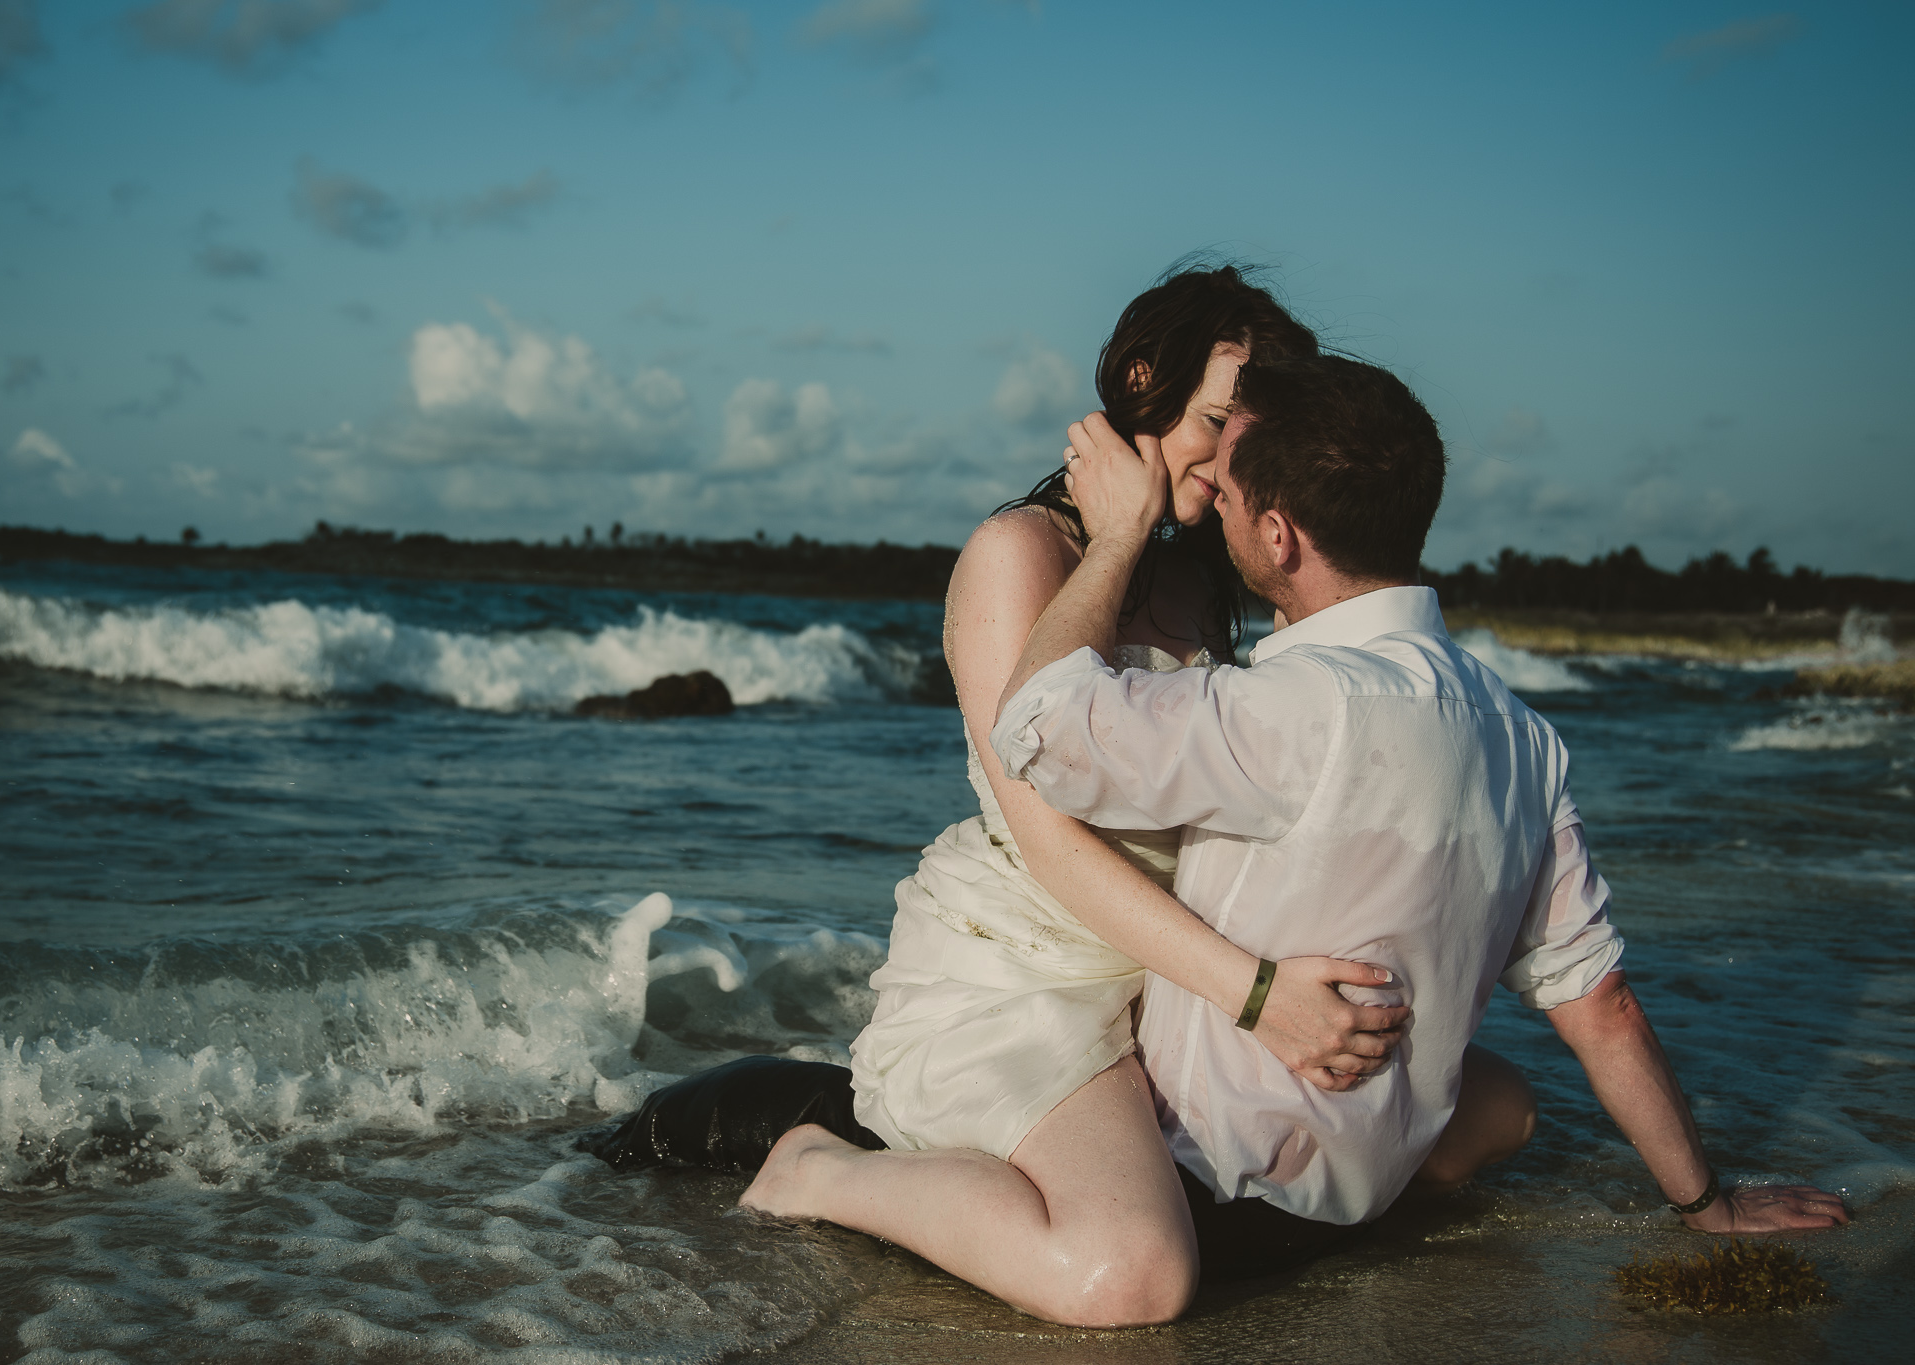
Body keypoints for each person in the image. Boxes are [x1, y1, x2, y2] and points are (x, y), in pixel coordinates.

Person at [961, 352, 1850, 1241]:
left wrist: (1116, 536)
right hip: (1367, 1187)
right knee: (1510, 1105)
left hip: (1206, 1192)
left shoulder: (1284, 708)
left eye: (1229, 489)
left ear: (1280, 538)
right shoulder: (1523, 736)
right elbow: (1603, 1004)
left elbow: (1036, 726)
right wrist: (1708, 1201)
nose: (1215, 500)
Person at [720, 270, 1426, 1328]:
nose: (1235, 457)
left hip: (1172, 971)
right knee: (1130, 1277)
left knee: (1476, 1118)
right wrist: (1257, 996)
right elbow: (1049, 845)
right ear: (1140, 379)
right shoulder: (1016, 554)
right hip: (1023, 972)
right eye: (1216, 420)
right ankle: (815, 1169)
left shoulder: (1204, 579)